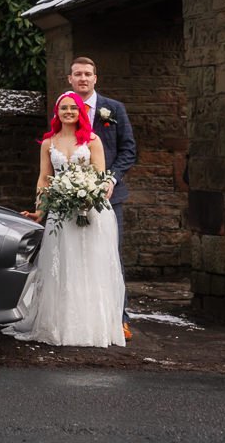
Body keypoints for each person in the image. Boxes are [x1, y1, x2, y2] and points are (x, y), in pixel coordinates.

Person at [3, 91, 126, 348]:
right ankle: (60, 325)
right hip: (60, 211)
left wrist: (88, 196)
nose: (68, 112)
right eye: (63, 108)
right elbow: (44, 179)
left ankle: (93, 327)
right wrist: (40, 210)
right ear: (57, 113)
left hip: (90, 211)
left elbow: (100, 176)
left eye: (73, 108)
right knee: (63, 266)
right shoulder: (49, 143)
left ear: (80, 112)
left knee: (89, 267)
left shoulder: (92, 140)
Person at [66, 56, 137, 338]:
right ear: (70, 79)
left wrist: (112, 177)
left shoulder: (114, 109)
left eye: (88, 74)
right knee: (76, 256)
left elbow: (128, 150)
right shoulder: (64, 109)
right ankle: (80, 318)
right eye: (77, 74)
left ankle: (119, 317)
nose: (83, 78)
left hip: (110, 197)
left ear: (96, 78)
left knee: (110, 255)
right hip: (72, 196)